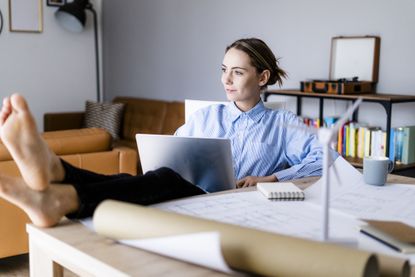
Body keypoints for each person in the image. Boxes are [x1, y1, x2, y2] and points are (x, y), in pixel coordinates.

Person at [0, 38, 326, 228]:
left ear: (263, 77)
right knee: (151, 178)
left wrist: (273, 179)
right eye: (224, 70)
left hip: (230, 208)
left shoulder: (283, 125)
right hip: (189, 195)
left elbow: (326, 158)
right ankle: (56, 178)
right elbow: (170, 150)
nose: (227, 79)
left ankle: (58, 178)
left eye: (238, 72)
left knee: (163, 179)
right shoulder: (207, 116)